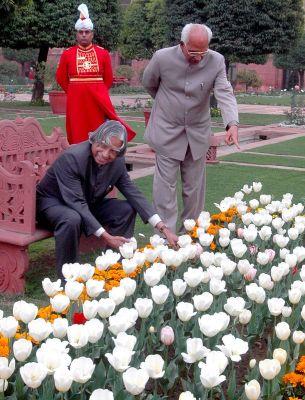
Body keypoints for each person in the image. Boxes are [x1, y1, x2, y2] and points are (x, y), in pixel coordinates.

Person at [36, 120, 178, 280]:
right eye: (102, 146)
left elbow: (133, 192)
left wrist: (163, 228)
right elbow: (76, 203)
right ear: (93, 140)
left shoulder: (116, 162)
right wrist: (106, 236)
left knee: (126, 209)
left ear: (119, 153)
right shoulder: (72, 158)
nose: (105, 154)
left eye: (112, 151)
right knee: (71, 218)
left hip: (85, 203)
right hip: (51, 204)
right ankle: (68, 279)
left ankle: (113, 266)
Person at [142, 23, 239, 233]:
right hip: (166, 131)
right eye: (194, 52)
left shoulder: (217, 61)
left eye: (203, 52)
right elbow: (149, 83)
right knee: (164, 190)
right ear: (182, 44)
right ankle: (165, 238)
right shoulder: (162, 58)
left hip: (197, 134)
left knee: (194, 191)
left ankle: (190, 235)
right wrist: (167, 104)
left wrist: (232, 123)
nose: (199, 57)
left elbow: (224, 92)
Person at [56, 3, 136, 144]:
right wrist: (75, 91)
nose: (84, 35)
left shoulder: (103, 53)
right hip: (76, 101)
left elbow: (108, 79)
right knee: (77, 131)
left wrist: (98, 91)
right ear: (77, 34)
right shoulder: (67, 54)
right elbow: (61, 77)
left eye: (87, 32)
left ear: (92, 34)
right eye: (81, 32)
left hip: (98, 100)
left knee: (99, 132)